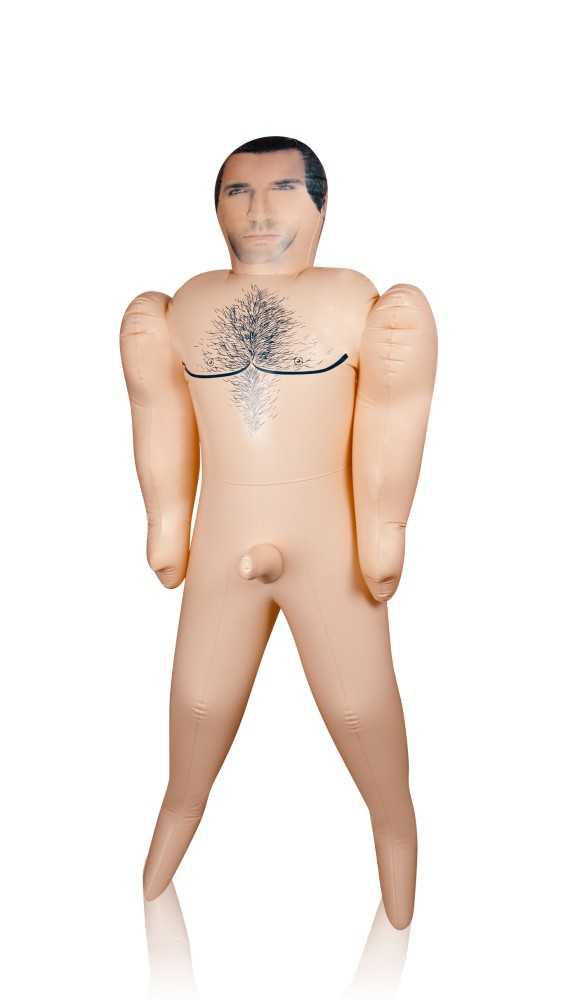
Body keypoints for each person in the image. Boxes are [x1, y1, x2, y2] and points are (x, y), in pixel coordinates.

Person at [120, 135, 438, 929]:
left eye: (284, 189)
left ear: (321, 207)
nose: (259, 211)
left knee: (362, 712)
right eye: (238, 192)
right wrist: (165, 520)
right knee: (196, 707)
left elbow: (389, 414)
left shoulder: (356, 302)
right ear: (215, 207)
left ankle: (395, 836)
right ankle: (171, 838)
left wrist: (385, 526)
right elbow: (161, 415)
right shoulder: (183, 308)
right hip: (223, 546)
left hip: (327, 552)